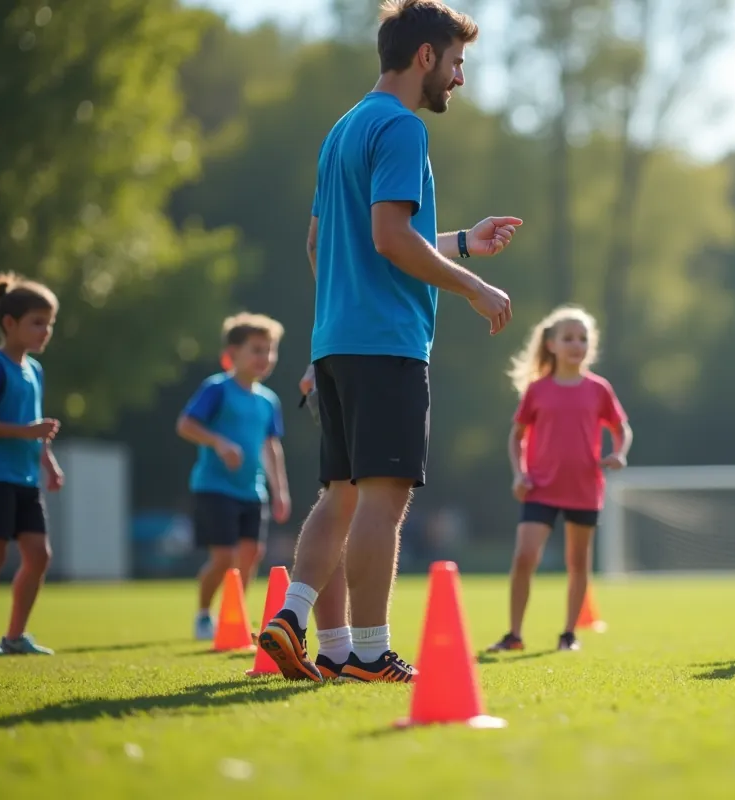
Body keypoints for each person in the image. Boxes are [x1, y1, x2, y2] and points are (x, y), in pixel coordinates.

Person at [259, 0, 520, 684]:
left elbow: (332, 243)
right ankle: (371, 654)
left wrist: (462, 242)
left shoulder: (343, 129)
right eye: (456, 63)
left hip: (338, 341)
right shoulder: (402, 128)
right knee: (383, 500)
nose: (459, 79)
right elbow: (389, 239)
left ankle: (298, 622)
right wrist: (471, 287)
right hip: (387, 344)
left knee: (339, 494)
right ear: (425, 57)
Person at [486, 306, 632, 654]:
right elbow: (516, 436)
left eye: (583, 338)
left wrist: (619, 452)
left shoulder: (599, 389)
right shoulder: (538, 390)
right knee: (524, 557)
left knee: (578, 563)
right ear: (551, 344)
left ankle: (569, 634)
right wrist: (519, 473)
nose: (576, 344)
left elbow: (620, 427)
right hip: (540, 488)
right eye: (568, 338)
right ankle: (514, 635)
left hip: (584, 489)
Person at [177, 313, 291, 641]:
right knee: (224, 557)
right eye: (256, 349)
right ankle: (203, 614)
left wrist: (280, 490)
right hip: (214, 487)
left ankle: (235, 616)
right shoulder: (217, 389)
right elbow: (186, 425)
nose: (264, 358)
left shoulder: (269, 401)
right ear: (232, 353)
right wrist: (219, 442)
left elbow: (272, 447)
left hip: (252, 491)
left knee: (251, 554)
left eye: (270, 351)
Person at [0, 272, 63, 656]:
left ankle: (15, 637)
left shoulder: (35, 371)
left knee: (39, 555)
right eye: (37, 322)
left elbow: (34, 429)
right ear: (10, 323)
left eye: (49, 324)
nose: (45, 331)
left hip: (26, 479)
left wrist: (48, 462)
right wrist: (26, 433)